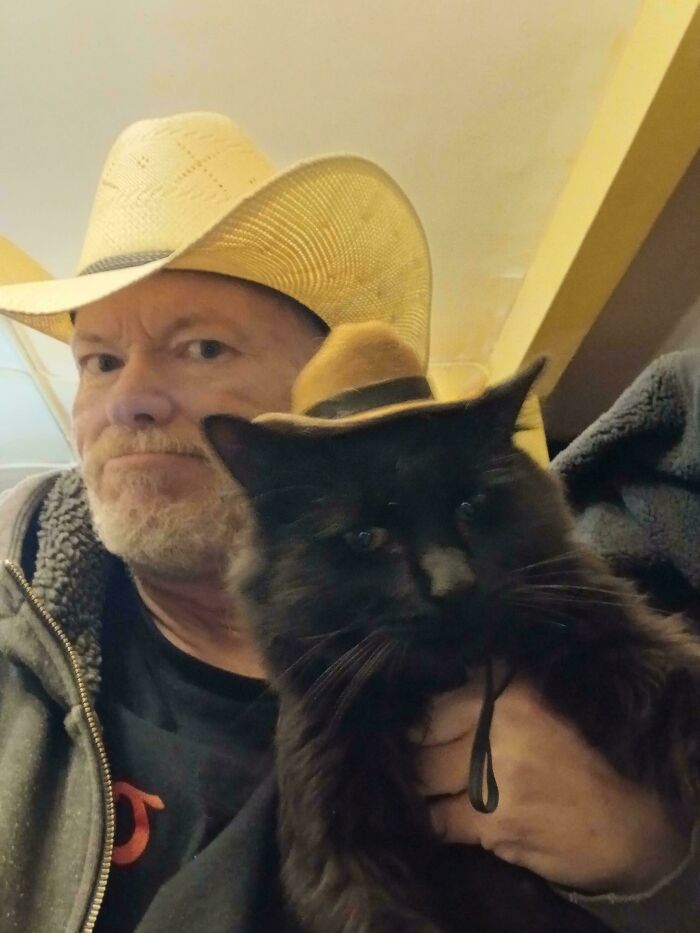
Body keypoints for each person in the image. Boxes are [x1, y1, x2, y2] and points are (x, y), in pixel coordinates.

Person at [0, 111, 695, 933]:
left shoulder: (572, 581)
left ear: (316, 395)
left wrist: (655, 868)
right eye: (100, 361)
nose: (131, 397)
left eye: (203, 348)